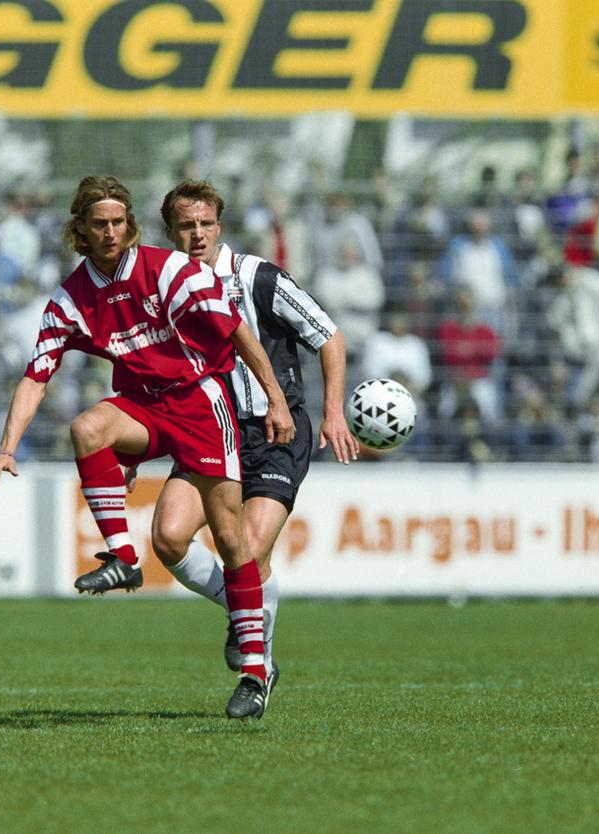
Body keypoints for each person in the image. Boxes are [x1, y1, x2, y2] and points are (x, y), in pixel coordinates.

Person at [0, 175, 295, 720]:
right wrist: (8, 447)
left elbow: (237, 331)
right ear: (79, 229)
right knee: (87, 429)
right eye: (99, 224)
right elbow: (36, 377)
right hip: (145, 406)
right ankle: (124, 560)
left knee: (228, 536)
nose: (110, 233)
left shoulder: (168, 270)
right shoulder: (71, 299)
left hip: (201, 403)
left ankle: (254, 669)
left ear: (131, 226)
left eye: (119, 223)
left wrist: (276, 398)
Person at [138, 180, 358, 698]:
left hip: (273, 431)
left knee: (250, 550)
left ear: (220, 226)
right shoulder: (159, 292)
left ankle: (255, 667)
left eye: (206, 225)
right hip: (206, 431)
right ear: (170, 231)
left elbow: (328, 334)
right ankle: (248, 612)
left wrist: (332, 413)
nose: (197, 235)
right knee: (168, 538)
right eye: (186, 226)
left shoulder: (258, 277)